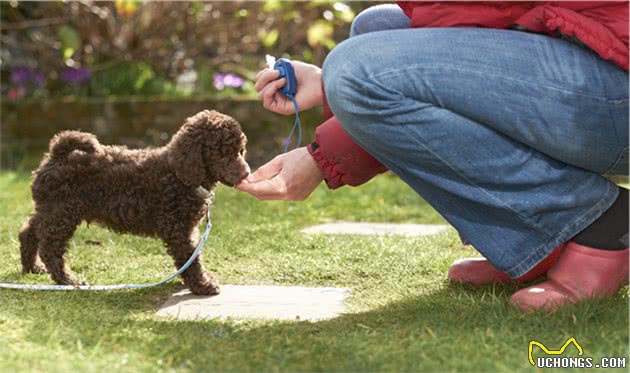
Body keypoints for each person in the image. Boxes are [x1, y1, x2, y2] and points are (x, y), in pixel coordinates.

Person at [237, 2, 629, 312]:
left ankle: (604, 226)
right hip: (595, 58)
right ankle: (543, 243)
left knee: (357, 70)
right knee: (376, 29)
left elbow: (473, 21)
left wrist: (322, 142)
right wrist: (328, 108)